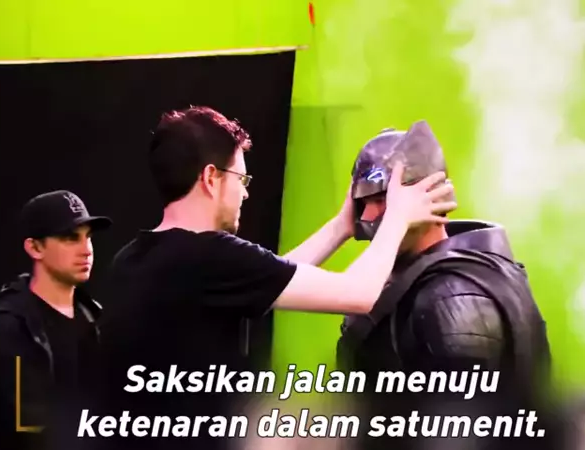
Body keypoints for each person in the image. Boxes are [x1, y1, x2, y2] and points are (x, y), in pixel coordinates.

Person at [87, 106, 457, 450]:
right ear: (211, 178)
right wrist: (398, 217)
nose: (246, 192)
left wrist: (341, 227)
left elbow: (268, 276)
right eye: (241, 178)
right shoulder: (211, 256)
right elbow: (359, 293)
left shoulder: (133, 259)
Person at [336, 121, 558, 450]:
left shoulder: (452, 296)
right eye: (362, 203)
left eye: (382, 199)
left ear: (426, 197)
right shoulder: (415, 279)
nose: (367, 216)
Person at [0, 190, 112, 450]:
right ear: (35, 247)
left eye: (89, 237)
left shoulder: (93, 318)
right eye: (70, 238)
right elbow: (25, 432)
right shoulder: (9, 328)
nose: (86, 250)